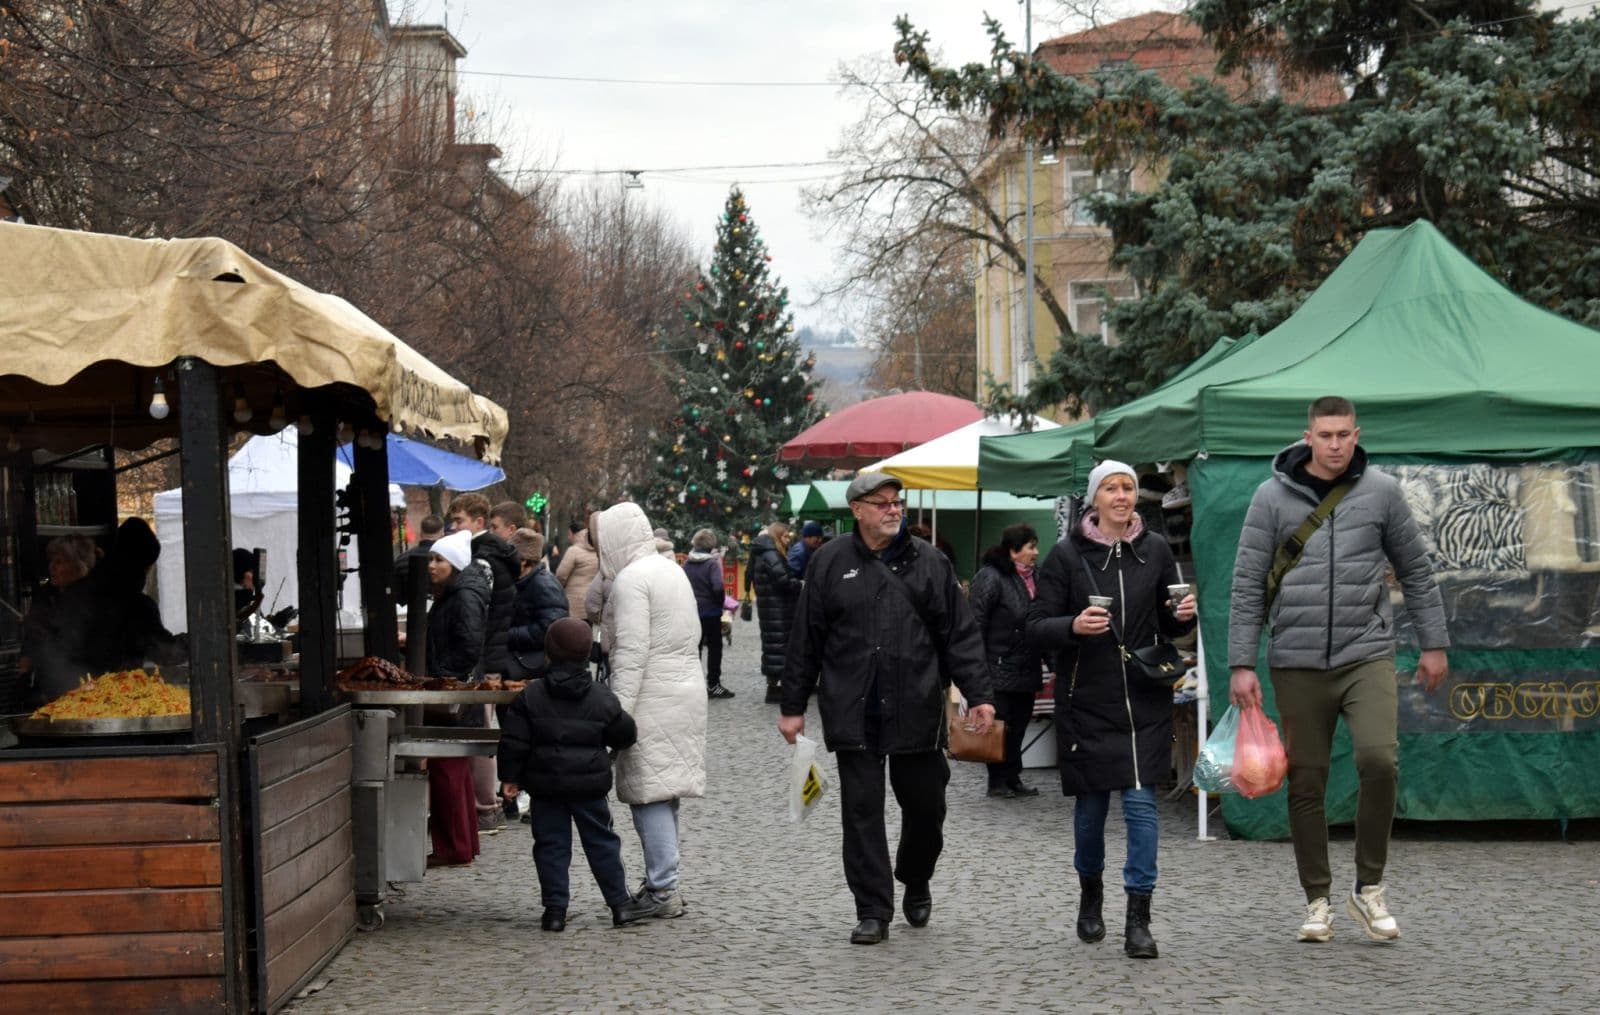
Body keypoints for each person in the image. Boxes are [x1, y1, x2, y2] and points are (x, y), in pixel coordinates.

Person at [1227, 396, 1449, 944]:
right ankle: (1317, 900)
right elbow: (1248, 581)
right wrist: (1240, 662)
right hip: (1296, 660)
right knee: (1307, 779)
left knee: (1379, 760)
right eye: (1325, 435)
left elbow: (1416, 571)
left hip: (1365, 652)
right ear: (1307, 436)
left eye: (1343, 435)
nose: (1334, 444)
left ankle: (1368, 887)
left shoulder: (1382, 492)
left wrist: (1434, 644)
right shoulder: (1269, 497)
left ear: (1357, 434)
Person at [779, 472, 995, 946]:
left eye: (898, 502)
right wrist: (792, 705)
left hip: (917, 702)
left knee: (926, 805)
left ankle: (916, 875)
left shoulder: (930, 562)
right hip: (852, 706)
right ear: (856, 509)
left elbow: (960, 635)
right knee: (861, 811)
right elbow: (806, 638)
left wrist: (979, 695)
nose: (894, 510)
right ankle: (872, 908)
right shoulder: (829, 562)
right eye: (882, 503)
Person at [1027, 461, 1196, 959]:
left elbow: (1169, 622)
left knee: (1142, 806)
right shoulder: (1066, 555)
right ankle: (1090, 892)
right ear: (1094, 499)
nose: (1122, 496)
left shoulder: (1156, 549)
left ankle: (1139, 918)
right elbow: (1036, 624)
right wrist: (1073, 627)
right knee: (1092, 809)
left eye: (1128, 488)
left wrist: (1179, 615)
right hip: (1087, 701)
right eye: (1112, 489)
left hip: (1144, 699)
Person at [497, 617, 655, 931]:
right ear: (586, 656)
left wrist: (510, 777)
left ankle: (555, 911)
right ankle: (620, 905)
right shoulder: (601, 696)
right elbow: (624, 734)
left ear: (547, 654)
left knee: (551, 846)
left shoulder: (531, 696)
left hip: (546, 787)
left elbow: (514, 741)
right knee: (602, 842)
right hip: (589, 786)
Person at [594, 502, 707, 918]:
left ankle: (662, 889)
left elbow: (631, 653)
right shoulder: (669, 569)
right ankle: (664, 882)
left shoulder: (631, 579)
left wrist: (616, 714)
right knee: (664, 790)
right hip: (684, 690)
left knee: (648, 794)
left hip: (652, 695)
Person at [448, 492, 520, 832]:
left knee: (480, 729)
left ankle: (484, 807)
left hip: (485, 655)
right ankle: (484, 805)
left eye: (459, 520)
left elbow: (479, 614)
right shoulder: (494, 554)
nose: (454, 527)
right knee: (483, 727)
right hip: (492, 652)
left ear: (478, 522)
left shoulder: (484, 558)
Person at [423, 529, 491, 868]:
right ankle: (463, 843)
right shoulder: (457, 593)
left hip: (454, 694)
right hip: (457, 691)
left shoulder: (463, 596)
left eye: (439, 560)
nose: (432, 566)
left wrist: (441, 678)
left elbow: (468, 647)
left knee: (447, 769)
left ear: (455, 564)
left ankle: (454, 846)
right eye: (432, 559)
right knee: (455, 770)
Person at [967, 523, 1045, 799]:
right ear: (1013, 551)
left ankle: (1013, 777)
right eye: (1031, 546)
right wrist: (976, 666)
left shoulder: (1035, 577)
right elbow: (976, 622)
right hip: (998, 666)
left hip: (1027, 666)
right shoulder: (991, 577)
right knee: (999, 726)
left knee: (1019, 725)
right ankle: (996, 780)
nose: (1036, 552)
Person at [20, 534, 100, 708]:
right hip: (48, 692)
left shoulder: (96, 599)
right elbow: (32, 641)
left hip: (88, 692)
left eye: (59, 562)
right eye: (51, 562)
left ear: (79, 565)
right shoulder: (46, 595)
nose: (52, 568)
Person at [749, 521, 803, 704]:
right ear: (778, 536)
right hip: (778, 608)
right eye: (786, 536)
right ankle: (777, 689)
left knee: (773, 646)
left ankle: (775, 687)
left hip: (771, 607)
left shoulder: (763, 554)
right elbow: (783, 581)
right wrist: (800, 584)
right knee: (779, 647)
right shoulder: (771, 554)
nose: (789, 540)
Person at [506, 528, 569, 681]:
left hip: (532, 665)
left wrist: (507, 634)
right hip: (522, 658)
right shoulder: (523, 581)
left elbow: (548, 629)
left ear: (524, 561)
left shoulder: (544, 585)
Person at [682, 528, 733, 699]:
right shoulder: (711, 564)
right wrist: (719, 602)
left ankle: (693, 684)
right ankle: (713, 684)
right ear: (711, 545)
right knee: (714, 648)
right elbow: (718, 586)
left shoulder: (687, 564)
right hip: (711, 611)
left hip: (692, 611)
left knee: (694, 648)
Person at [557, 521, 599, 622]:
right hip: (592, 602)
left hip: (573, 605)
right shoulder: (597, 550)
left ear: (574, 534)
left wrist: (560, 589)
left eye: (569, 534)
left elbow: (561, 575)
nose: (568, 537)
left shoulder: (573, 551)